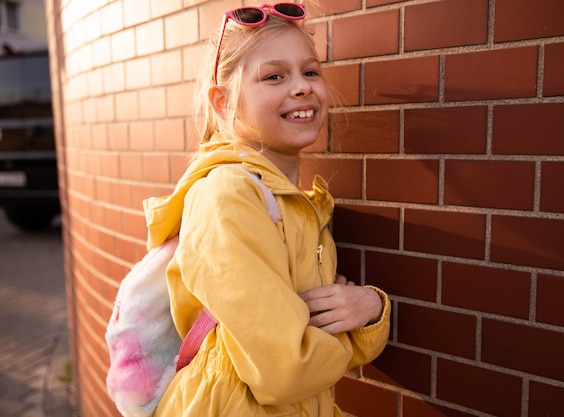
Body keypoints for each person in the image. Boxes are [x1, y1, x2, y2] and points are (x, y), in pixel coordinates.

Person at [147, 3, 391, 416]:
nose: (301, 87)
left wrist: (366, 310)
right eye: (274, 76)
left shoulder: (294, 203)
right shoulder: (227, 195)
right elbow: (287, 370)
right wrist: (365, 317)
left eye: (310, 71)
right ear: (223, 104)